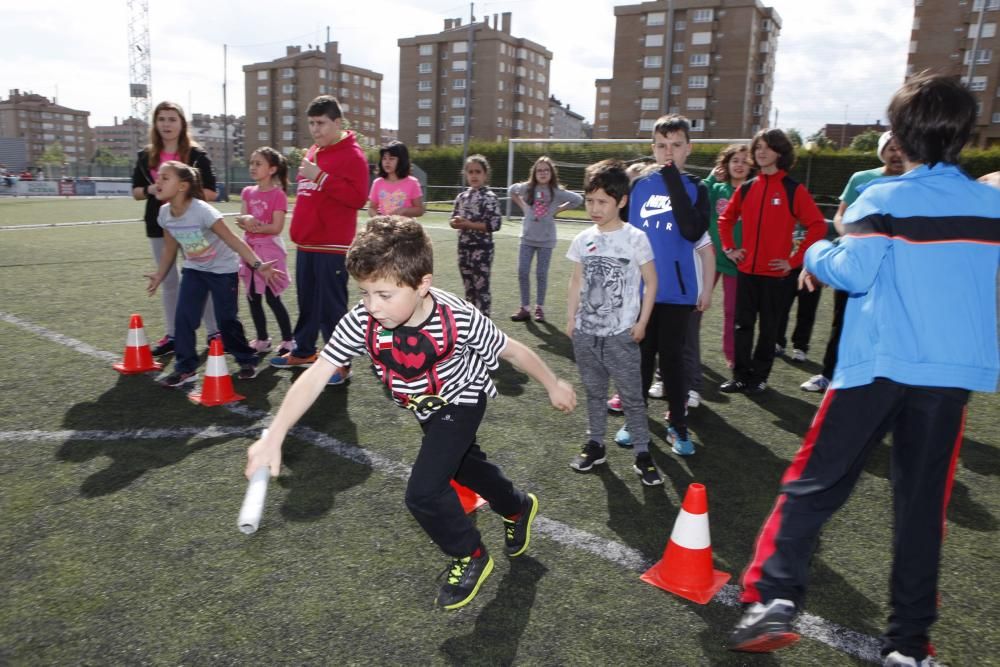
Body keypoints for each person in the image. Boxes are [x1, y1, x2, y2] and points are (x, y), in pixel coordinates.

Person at [727, 72, 1000, 667]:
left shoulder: (885, 197)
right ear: (965, 133)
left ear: (898, 138)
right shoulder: (991, 205)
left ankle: (772, 595)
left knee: (813, 484)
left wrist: (817, 249)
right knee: (923, 509)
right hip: (948, 377)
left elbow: (850, 272)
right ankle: (908, 646)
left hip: (876, 368)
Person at [246, 215, 576, 610]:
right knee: (464, 466)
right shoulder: (361, 321)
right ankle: (517, 506)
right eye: (365, 293)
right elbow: (317, 374)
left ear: (422, 285)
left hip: (463, 398)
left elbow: (512, 350)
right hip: (425, 407)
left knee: (423, 491)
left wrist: (553, 383)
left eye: (384, 295)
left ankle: (469, 554)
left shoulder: (457, 318)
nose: (372, 306)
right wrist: (276, 433)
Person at [619, 114, 713, 457]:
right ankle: (635, 420)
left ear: (689, 148)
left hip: (677, 293)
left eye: (676, 145)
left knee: (672, 360)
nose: (668, 152)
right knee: (640, 359)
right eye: (661, 146)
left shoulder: (696, 188)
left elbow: (691, 231)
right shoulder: (640, 186)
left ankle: (677, 424)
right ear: (652, 148)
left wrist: (672, 177)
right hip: (641, 293)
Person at [144, 161, 284, 387]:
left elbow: (233, 241)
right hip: (194, 270)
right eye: (158, 177)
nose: (157, 181)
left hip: (223, 271)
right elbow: (170, 247)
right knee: (184, 317)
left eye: (165, 177)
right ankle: (185, 368)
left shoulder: (203, 211)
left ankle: (246, 360)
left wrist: (258, 265)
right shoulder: (163, 213)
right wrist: (160, 274)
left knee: (226, 320)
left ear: (182, 186)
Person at [565, 160, 660, 485]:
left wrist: (642, 321)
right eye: (590, 201)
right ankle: (596, 444)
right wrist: (571, 319)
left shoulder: (635, 238)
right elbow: (576, 281)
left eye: (602, 201)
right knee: (594, 393)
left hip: (621, 333)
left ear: (621, 201)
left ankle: (643, 453)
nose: (594, 208)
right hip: (586, 333)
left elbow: (652, 282)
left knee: (632, 396)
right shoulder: (582, 239)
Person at [717, 129, 826, 395]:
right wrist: (730, 248)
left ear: (780, 152)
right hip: (746, 271)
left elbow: (817, 226)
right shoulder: (747, 188)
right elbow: (725, 220)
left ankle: (759, 377)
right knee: (742, 326)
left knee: (769, 329)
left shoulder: (792, 189)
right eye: (758, 147)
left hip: (777, 275)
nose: (761, 152)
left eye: (768, 147)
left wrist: (793, 261)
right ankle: (741, 376)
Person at [269, 95, 368, 384]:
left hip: (333, 244)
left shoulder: (353, 155)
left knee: (332, 307)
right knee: (308, 303)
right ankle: (304, 350)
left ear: (337, 122)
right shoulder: (313, 151)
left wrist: (322, 177)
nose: (315, 129)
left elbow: (358, 198)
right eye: (311, 123)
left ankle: (340, 363)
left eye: (321, 123)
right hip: (307, 242)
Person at [801, 131, 905, 392]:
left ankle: (873, 382)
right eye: (890, 148)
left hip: (895, 269)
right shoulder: (862, 179)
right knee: (843, 320)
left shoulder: (915, 184)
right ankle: (828, 374)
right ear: (882, 151)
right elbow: (841, 216)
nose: (896, 153)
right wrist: (850, 234)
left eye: (901, 148)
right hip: (856, 260)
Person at [132, 101, 220, 357]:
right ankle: (172, 335)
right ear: (155, 123)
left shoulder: (196, 155)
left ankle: (215, 333)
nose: (166, 124)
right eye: (162, 119)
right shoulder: (145, 156)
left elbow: (212, 193)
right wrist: (153, 189)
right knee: (169, 281)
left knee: (202, 277)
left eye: (172, 119)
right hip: (160, 226)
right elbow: (136, 192)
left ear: (182, 124)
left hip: (192, 227)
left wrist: (181, 190)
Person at [509, 156, 583, 323]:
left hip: (546, 240)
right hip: (527, 238)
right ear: (534, 173)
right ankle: (525, 308)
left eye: (546, 170)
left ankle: (539, 308)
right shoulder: (527, 188)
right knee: (522, 271)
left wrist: (557, 210)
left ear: (552, 173)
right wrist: (523, 207)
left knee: (541, 274)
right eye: (539, 170)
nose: (543, 173)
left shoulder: (556, 191)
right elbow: (511, 190)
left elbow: (578, 199)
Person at [235, 147, 293, 357]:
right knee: (252, 297)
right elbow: (241, 220)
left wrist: (255, 225)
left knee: (272, 297)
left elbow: (276, 227)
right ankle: (262, 339)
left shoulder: (278, 195)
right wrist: (246, 220)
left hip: (270, 252)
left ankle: (288, 340)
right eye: (251, 163)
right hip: (249, 252)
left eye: (258, 163)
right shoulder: (247, 192)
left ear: (272, 169)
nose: (253, 167)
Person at [706, 144, 752, 371]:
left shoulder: (754, 191)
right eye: (735, 160)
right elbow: (700, 192)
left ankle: (732, 355)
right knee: (696, 304)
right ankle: (685, 348)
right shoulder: (716, 188)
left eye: (745, 161)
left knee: (732, 311)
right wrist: (711, 175)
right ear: (727, 164)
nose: (740, 165)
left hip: (737, 261)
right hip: (711, 258)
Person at [450, 154, 502, 317]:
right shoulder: (461, 197)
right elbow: (452, 219)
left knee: (481, 289)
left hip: (482, 250)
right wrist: (455, 222)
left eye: (478, 172)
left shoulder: (490, 197)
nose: (474, 175)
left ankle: (485, 325)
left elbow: (494, 224)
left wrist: (468, 224)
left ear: (485, 175)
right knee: (469, 288)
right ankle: (471, 323)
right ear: (465, 174)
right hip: (463, 248)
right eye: (470, 172)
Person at [368, 140, 425, 218]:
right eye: (384, 158)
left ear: (402, 161)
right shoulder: (377, 183)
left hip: (404, 229)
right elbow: (371, 208)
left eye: (391, 158)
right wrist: (378, 219)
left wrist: (403, 211)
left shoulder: (412, 182)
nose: (387, 162)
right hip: (383, 228)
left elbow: (420, 210)